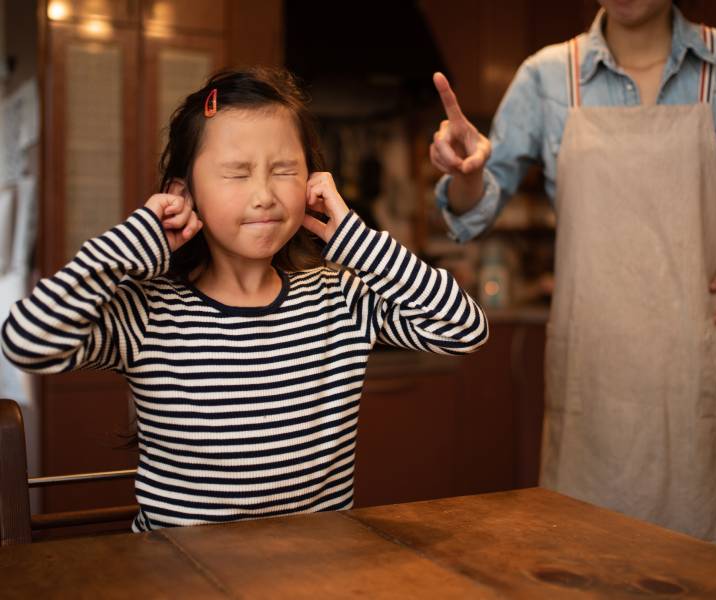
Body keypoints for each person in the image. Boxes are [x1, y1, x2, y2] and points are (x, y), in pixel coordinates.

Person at [1, 68, 488, 531]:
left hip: (318, 572)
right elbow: (27, 342)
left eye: (283, 170)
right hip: (180, 574)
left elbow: (465, 330)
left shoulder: (339, 298)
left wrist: (354, 238)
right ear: (183, 195)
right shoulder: (147, 312)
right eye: (236, 173)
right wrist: (132, 243)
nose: (264, 195)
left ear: (313, 185)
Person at [429, 0, 716, 549]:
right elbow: (472, 213)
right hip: (596, 379)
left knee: (710, 576)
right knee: (589, 561)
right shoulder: (546, 76)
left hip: (700, 368)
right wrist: (467, 174)